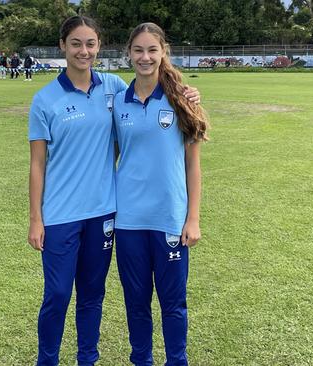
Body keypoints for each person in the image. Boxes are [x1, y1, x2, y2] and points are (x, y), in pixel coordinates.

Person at [27, 16, 201, 366]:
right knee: (62, 295)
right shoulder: (65, 99)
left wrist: (187, 92)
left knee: (103, 296)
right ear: (63, 45)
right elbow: (38, 164)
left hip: (120, 214)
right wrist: (35, 218)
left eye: (90, 44)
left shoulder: (128, 92)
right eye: (76, 43)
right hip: (86, 216)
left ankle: (90, 360)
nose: (83, 50)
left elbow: (186, 158)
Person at [112, 23, 210, 366]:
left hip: (169, 220)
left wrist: (193, 218)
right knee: (136, 303)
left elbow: (192, 166)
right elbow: (109, 156)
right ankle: (141, 360)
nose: (145, 57)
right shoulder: (118, 102)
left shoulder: (181, 100)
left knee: (173, 303)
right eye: (138, 50)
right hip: (128, 222)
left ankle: (177, 361)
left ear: (163, 52)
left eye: (152, 50)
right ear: (128, 54)